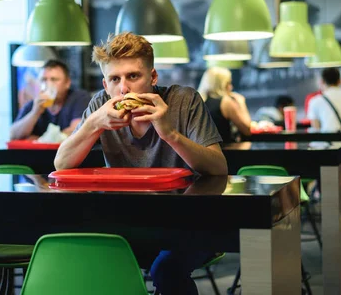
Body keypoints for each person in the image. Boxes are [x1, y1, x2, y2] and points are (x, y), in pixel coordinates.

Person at [54, 32, 227, 295]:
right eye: (114, 79)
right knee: (84, 261)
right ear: (105, 83)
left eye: (133, 76)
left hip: (190, 220)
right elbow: (61, 164)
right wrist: (93, 123)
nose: (124, 89)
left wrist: (169, 134)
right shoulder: (101, 105)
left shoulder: (184, 100)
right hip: (127, 222)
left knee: (166, 269)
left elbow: (218, 168)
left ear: (153, 77)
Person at [9, 59, 90, 140]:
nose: (48, 84)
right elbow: (13, 135)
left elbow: (78, 132)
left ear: (67, 83)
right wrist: (35, 112)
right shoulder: (34, 104)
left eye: (54, 79)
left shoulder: (79, 98)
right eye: (43, 80)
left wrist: (39, 139)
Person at [197, 67, 252, 143]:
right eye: (228, 83)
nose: (231, 87)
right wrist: (241, 103)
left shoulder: (197, 102)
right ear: (221, 85)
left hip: (202, 151)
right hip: (224, 152)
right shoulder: (225, 102)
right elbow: (247, 130)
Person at [308, 67, 341, 132]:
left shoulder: (315, 101)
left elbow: (316, 127)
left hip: (329, 141)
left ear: (322, 81)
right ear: (340, 81)